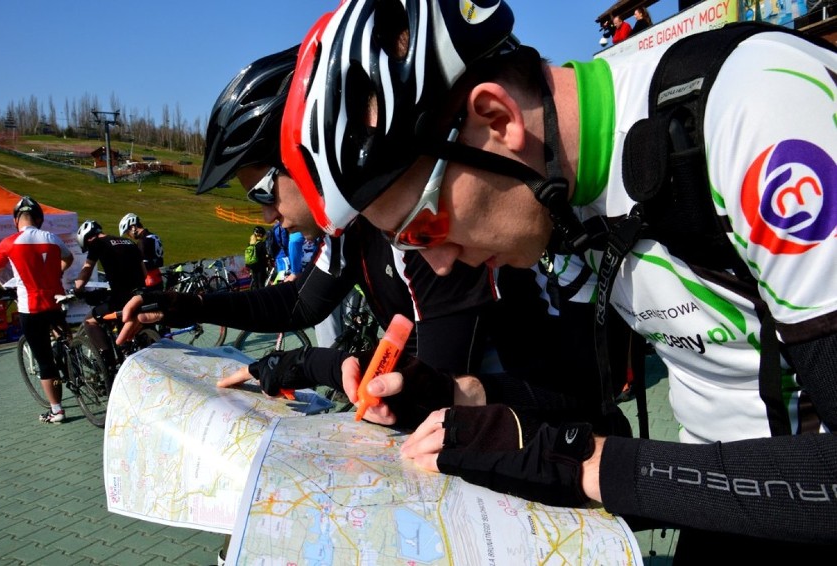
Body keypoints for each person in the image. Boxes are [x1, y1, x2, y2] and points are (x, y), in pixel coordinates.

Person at [280, 2, 836, 557]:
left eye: (425, 227)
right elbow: (585, 402)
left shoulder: (756, 111)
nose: (441, 264)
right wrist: (460, 394)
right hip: (727, 501)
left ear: (498, 119)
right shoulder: (557, 195)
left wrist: (581, 465)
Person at [117, 47, 571, 403]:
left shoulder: (421, 229)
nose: (267, 216)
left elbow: (434, 389)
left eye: (264, 193)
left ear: (305, 162)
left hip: (531, 405)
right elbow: (301, 303)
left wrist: (305, 364)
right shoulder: (350, 223)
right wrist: (187, 305)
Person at [0, 196, 74, 423]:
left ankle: (57, 410)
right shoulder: (52, 238)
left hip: (31, 309)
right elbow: (69, 258)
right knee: (67, 341)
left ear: (17, 220)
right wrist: (57, 273)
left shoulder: (9, 243)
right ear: (38, 218)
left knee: (46, 362)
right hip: (55, 303)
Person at [119, 213, 165, 291]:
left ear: (133, 227)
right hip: (158, 278)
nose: (129, 236)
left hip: (149, 282)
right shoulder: (153, 236)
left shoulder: (143, 242)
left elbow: (143, 266)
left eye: (127, 232)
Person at [245, 225, 270, 289]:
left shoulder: (251, 243)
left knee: (256, 283)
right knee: (261, 283)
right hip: (261, 266)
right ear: (261, 235)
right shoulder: (262, 244)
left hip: (253, 265)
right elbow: (267, 253)